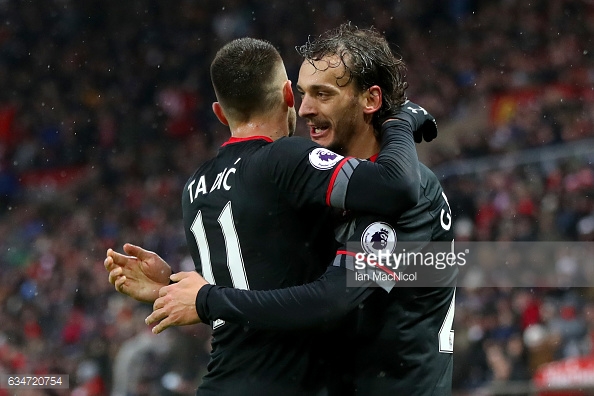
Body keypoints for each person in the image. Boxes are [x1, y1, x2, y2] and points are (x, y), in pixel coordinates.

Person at [105, 32, 437, 395]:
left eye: (321, 94)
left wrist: (171, 286)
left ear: (220, 113)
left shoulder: (194, 186)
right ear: (288, 97)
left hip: (220, 382)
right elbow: (394, 186)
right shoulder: (285, 159)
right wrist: (400, 120)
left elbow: (254, 272)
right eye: (305, 94)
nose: (309, 107)